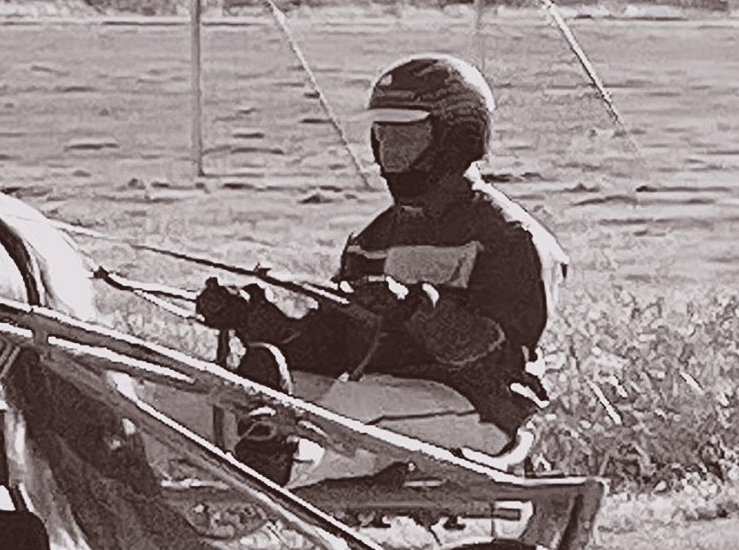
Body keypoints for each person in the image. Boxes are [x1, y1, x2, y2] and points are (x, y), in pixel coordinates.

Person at [194, 53, 564, 485]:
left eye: (406, 138)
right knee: (220, 398)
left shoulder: (511, 239)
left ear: (457, 138)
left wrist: (412, 309)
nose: (388, 154)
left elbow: (491, 354)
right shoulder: (374, 238)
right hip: (380, 394)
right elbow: (338, 349)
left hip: (479, 412)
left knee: (357, 406)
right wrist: (260, 322)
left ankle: (275, 468)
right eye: (383, 138)